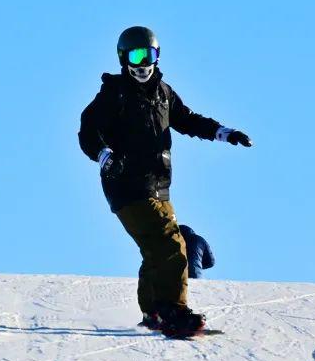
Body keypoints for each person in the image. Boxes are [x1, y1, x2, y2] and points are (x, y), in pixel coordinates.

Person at [78, 26, 252, 336]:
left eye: (151, 55)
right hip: (127, 183)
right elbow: (88, 131)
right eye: (137, 55)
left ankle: (153, 311)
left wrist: (224, 133)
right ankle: (173, 310)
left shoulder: (163, 93)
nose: (144, 63)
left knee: (154, 247)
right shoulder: (114, 93)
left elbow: (187, 119)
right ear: (123, 57)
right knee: (171, 243)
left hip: (159, 185)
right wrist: (105, 156)